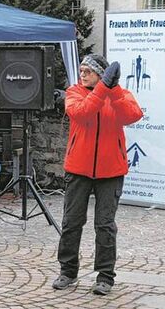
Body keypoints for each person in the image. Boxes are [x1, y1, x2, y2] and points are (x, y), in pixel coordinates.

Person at [51, 55, 142, 296]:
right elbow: (82, 113)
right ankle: (68, 271)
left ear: (101, 74)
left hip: (111, 172)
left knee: (105, 226)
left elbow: (133, 115)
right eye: (81, 70)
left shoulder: (118, 94)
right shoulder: (74, 92)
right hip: (78, 170)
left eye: (88, 71)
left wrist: (111, 91)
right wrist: (103, 88)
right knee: (71, 223)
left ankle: (105, 276)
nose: (82, 74)